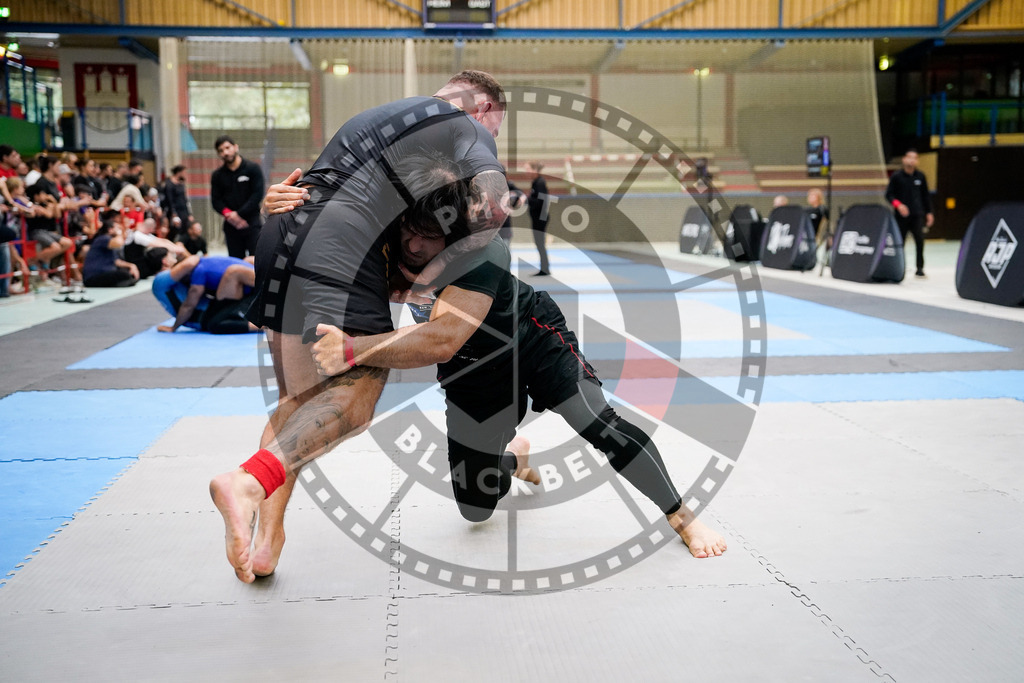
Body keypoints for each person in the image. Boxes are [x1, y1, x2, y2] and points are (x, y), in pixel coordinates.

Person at [254, 157, 727, 576]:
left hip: (530, 339)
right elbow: (313, 238)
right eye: (409, 234)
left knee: (593, 419)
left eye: (429, 238)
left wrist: (354, 350)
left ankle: (682, 516)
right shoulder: (384, 239)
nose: (416, 247)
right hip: (471, 372)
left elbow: (441, 338)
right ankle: (513, 455)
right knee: (476, 509)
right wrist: (276, 209)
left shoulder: (482, 250)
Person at [209, 70, 510, 584]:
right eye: (495, 130)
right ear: (482, 108)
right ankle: (248, 481)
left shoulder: (381, 124)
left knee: (296, 400)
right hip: (343, 242)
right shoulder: (463, 123)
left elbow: (315, 190)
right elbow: (493, 199)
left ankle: (266, 540)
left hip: (284, 224)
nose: (490, 139)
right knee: (354, 394)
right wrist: (463, 258)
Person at [154, 253, 257, 334]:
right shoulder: (203, 262)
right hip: (255, 284)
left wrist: (174, 327)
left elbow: (189, 305)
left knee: (233, 272)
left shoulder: (198, 272)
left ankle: (259, 325)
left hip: (256, 289)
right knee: (244, 263)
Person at [210, 136, 264, 259]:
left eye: (227, 148)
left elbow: (257, 195)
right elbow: (216, 201)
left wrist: (238, 214)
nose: (225, 152)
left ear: (235, 147)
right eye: (221, 150)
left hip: (252, 223)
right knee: (235, 263)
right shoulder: (217, 175)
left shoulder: (252, 168)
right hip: (231, 225)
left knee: (257, 261)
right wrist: (230, 215)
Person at [885, 148, 933, 278]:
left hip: (917, 215)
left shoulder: (920, 176)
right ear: (904, 159)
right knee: (900, 243)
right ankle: (899, 267)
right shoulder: (896, 176)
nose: (912, 160)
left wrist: (929, 212)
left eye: (914, 158)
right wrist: (898, 205)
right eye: (909, 157)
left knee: (920, 240)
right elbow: (889, 195)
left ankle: (920, 268)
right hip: (901, 217)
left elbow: (925, 196)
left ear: (917, 161)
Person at [81, 219, 138, 288]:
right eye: (117, 228)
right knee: (124, 275)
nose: (119, 230)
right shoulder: (103, 239)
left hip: (103, 273)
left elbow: (116, 261)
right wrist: (119, 233)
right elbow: (119, 243)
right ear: (110, 230)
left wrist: (131, 265)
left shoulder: (108, 240)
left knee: (126, 272)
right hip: (93, 276)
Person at [526, 161, 551, 276]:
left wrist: (528, 200)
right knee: (539, 243)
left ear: (535, 170)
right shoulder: (535, 182)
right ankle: (544, 267)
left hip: (540, 218)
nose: (527, 173)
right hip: (538, 217)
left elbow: (541, 201)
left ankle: (545, 268)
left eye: (528, 170)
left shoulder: (540, 183)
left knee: (540, 243)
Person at [162, 164, 193, 241]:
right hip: (175, 211)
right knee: (174, 230)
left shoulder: (181, 183)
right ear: (179, 172)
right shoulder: (169, 184)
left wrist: (189, 214)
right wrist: (174, 214)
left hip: (183, 210)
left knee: (185, 229)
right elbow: (170, 200)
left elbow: (185, 199)